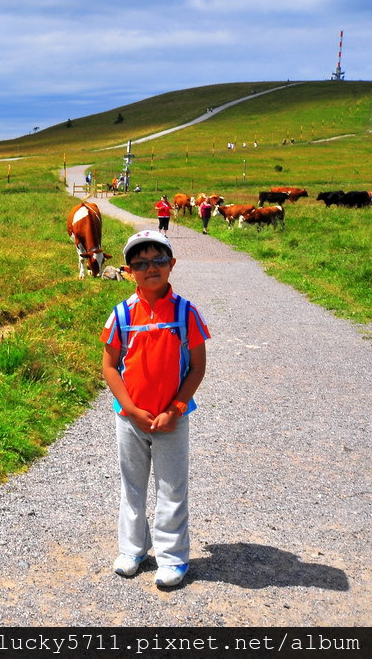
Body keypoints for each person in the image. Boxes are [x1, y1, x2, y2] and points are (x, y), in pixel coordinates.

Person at [101, 230, 210, 588]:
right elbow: (109, 366)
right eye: (141, 263)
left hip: (172, 420)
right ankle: (133, 549)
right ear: (129, 271)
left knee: (171, 487)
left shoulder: (185, 313)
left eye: (159, 260)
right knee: (132, 486)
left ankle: (172, 558)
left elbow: (196, 366)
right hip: (130, 419)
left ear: (172, 265)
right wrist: (130, 408)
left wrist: (176, 409)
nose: (151, 268)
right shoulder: (120, 315)